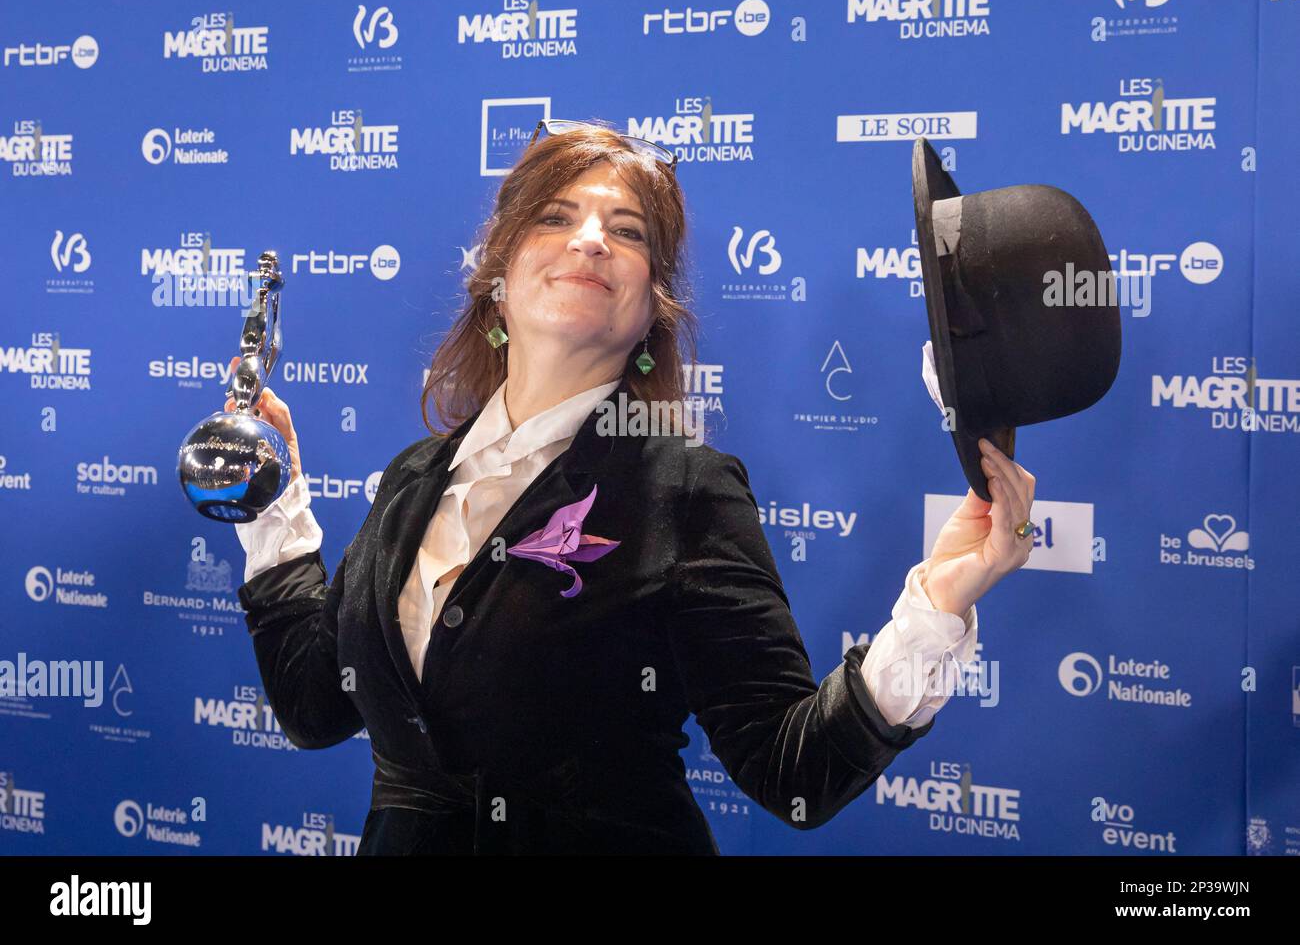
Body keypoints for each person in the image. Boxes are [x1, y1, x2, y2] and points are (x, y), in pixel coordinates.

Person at [229, 119, 1037, 855]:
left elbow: (794, 773)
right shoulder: (411, 480)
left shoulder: (685, 490)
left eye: (627, 232)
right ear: (497, 283)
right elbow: (312, 705)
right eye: (555, 217)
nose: (589, 242)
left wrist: (937, 603)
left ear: (650, 312)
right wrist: (271, 508)